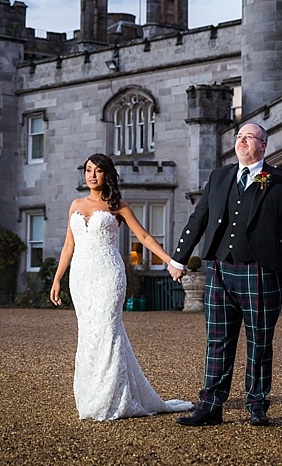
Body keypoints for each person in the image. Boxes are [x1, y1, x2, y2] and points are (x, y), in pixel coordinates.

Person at [168, 123, 282, 427]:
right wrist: (179, 258)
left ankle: (257, 405)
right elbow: (199, 218)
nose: (241, 141)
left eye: (249, 137)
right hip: (219, 268)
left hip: (262, 272)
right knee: (217, 341)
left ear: (263, 145)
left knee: (259, 342)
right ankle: (211, 406)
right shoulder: (220, 176)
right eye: (239, 137)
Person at [50, 153, 193, 421]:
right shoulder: (75, 204)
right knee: (89, 334)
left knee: (107, 330)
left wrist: (171, 261)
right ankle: (91, 397)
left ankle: (112, 400)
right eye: (88, 170)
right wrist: (57, 278)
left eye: (98, 170)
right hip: (80, 277)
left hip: (108, 275)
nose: (92, 175)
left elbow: (144, 236)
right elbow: (69, 245)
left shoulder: (117, 205)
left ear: (107, 175)